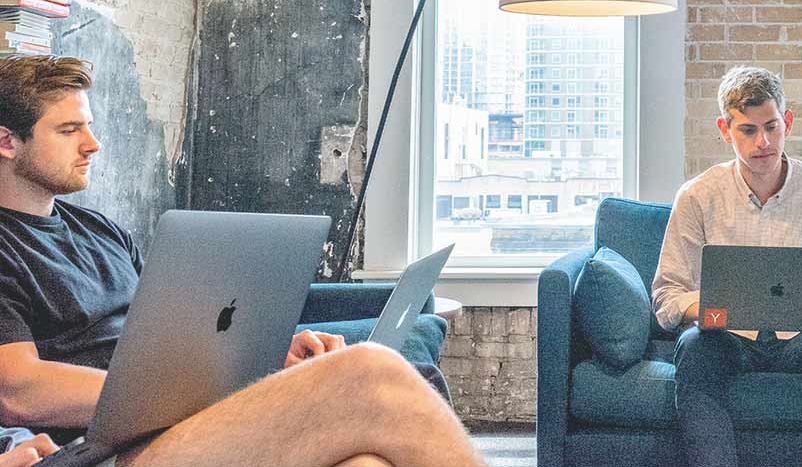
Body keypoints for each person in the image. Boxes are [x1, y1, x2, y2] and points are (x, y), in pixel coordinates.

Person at [0, 55, 486, 467]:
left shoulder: (100, 231)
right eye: (68, 130)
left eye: (88, 125)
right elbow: (20, 392)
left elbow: (172, 340)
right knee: (370, 371)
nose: (92, 143)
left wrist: (269, 359)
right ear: (7, 142)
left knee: (365, 461)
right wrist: (172, 395)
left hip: (174, 423)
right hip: (105, 449)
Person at [651, 66, 802, 467]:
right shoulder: (696, 197)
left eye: (772, 127)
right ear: (725, 130)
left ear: (787, 123)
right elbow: (667, 296)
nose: (763, 142)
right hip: (727, 336)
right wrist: (707, 310)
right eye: (748, 130)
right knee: (692, 348)